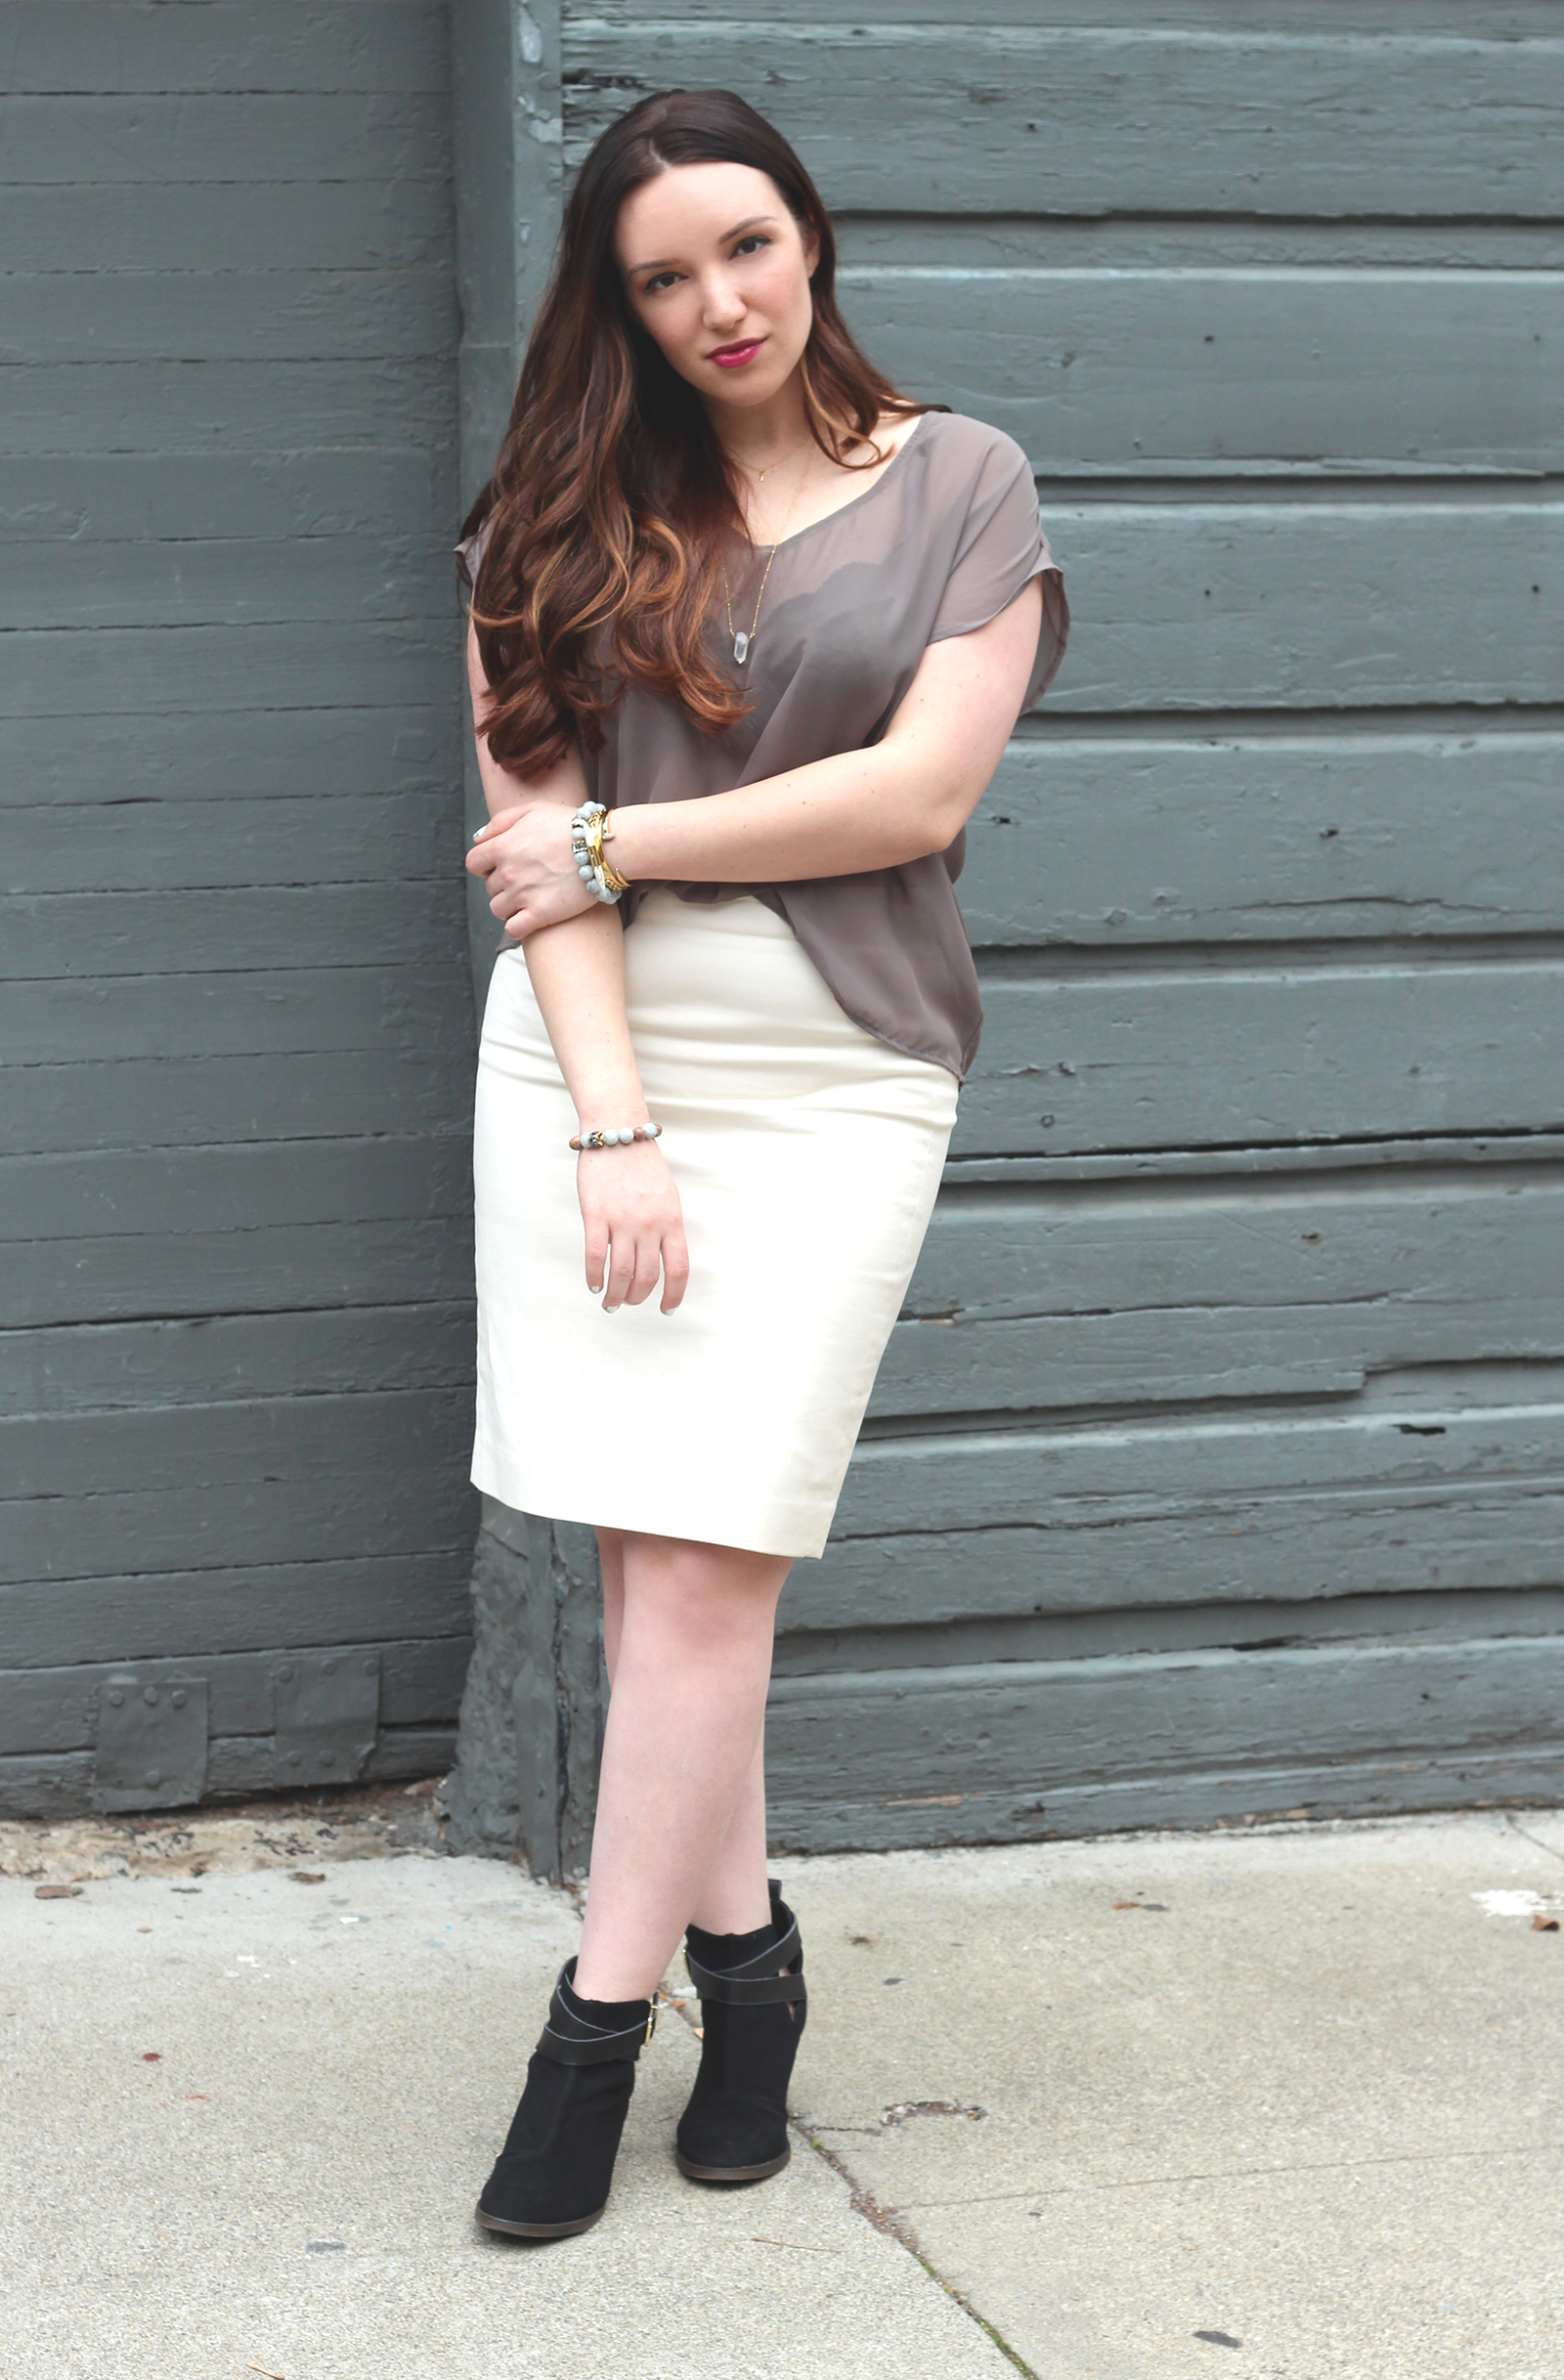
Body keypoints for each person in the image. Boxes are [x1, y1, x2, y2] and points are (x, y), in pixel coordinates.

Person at [456, 86, 1067, 2239]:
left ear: (808, 235)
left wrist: (619, 836)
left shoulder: (964, 484)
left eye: (743, 245)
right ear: (615, 308)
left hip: (835, 1075)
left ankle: (587, 2034)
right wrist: (612, 1125)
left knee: (716, 1564)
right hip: (588, 1067)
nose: (717, 300)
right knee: (658, 1571)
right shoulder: (549, 519)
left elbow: (911, 798)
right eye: (662, 277)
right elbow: (528, 873)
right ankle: (750, 1974)